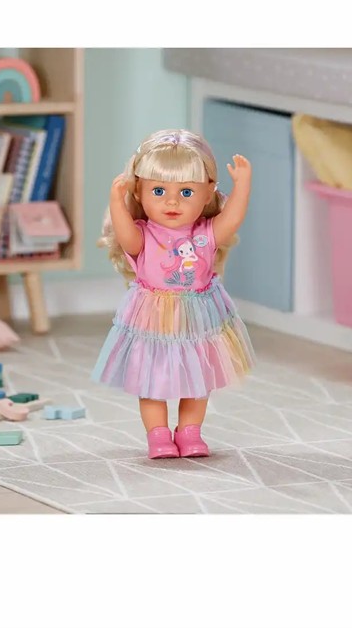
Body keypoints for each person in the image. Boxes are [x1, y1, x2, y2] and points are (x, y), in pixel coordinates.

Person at [92, 129, 256, 459]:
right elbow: (125, 238)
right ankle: (158, 435)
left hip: (198, 318)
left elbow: (232, 219)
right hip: (152, 317)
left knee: (198, 378)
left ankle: (190, 432)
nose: (172, 201)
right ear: (138, 192)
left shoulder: (205, 234)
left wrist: (242, 185)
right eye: (158, 190)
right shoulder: (143, 235)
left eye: (186, 191)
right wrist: (116, 202)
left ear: (208, 192)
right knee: (151, 381)